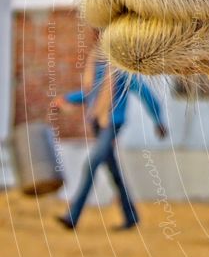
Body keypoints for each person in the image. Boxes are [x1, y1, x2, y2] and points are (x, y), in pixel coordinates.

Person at [54, 48, 167, 230]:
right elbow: (90, 93)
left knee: (91, 163)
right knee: (113, 170)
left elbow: (143, 92)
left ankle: (72, 216)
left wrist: (158, 118)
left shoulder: (121, 67)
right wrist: (66, 99)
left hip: (112, 122)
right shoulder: (95, 64)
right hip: (97, 121)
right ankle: (131, 216)